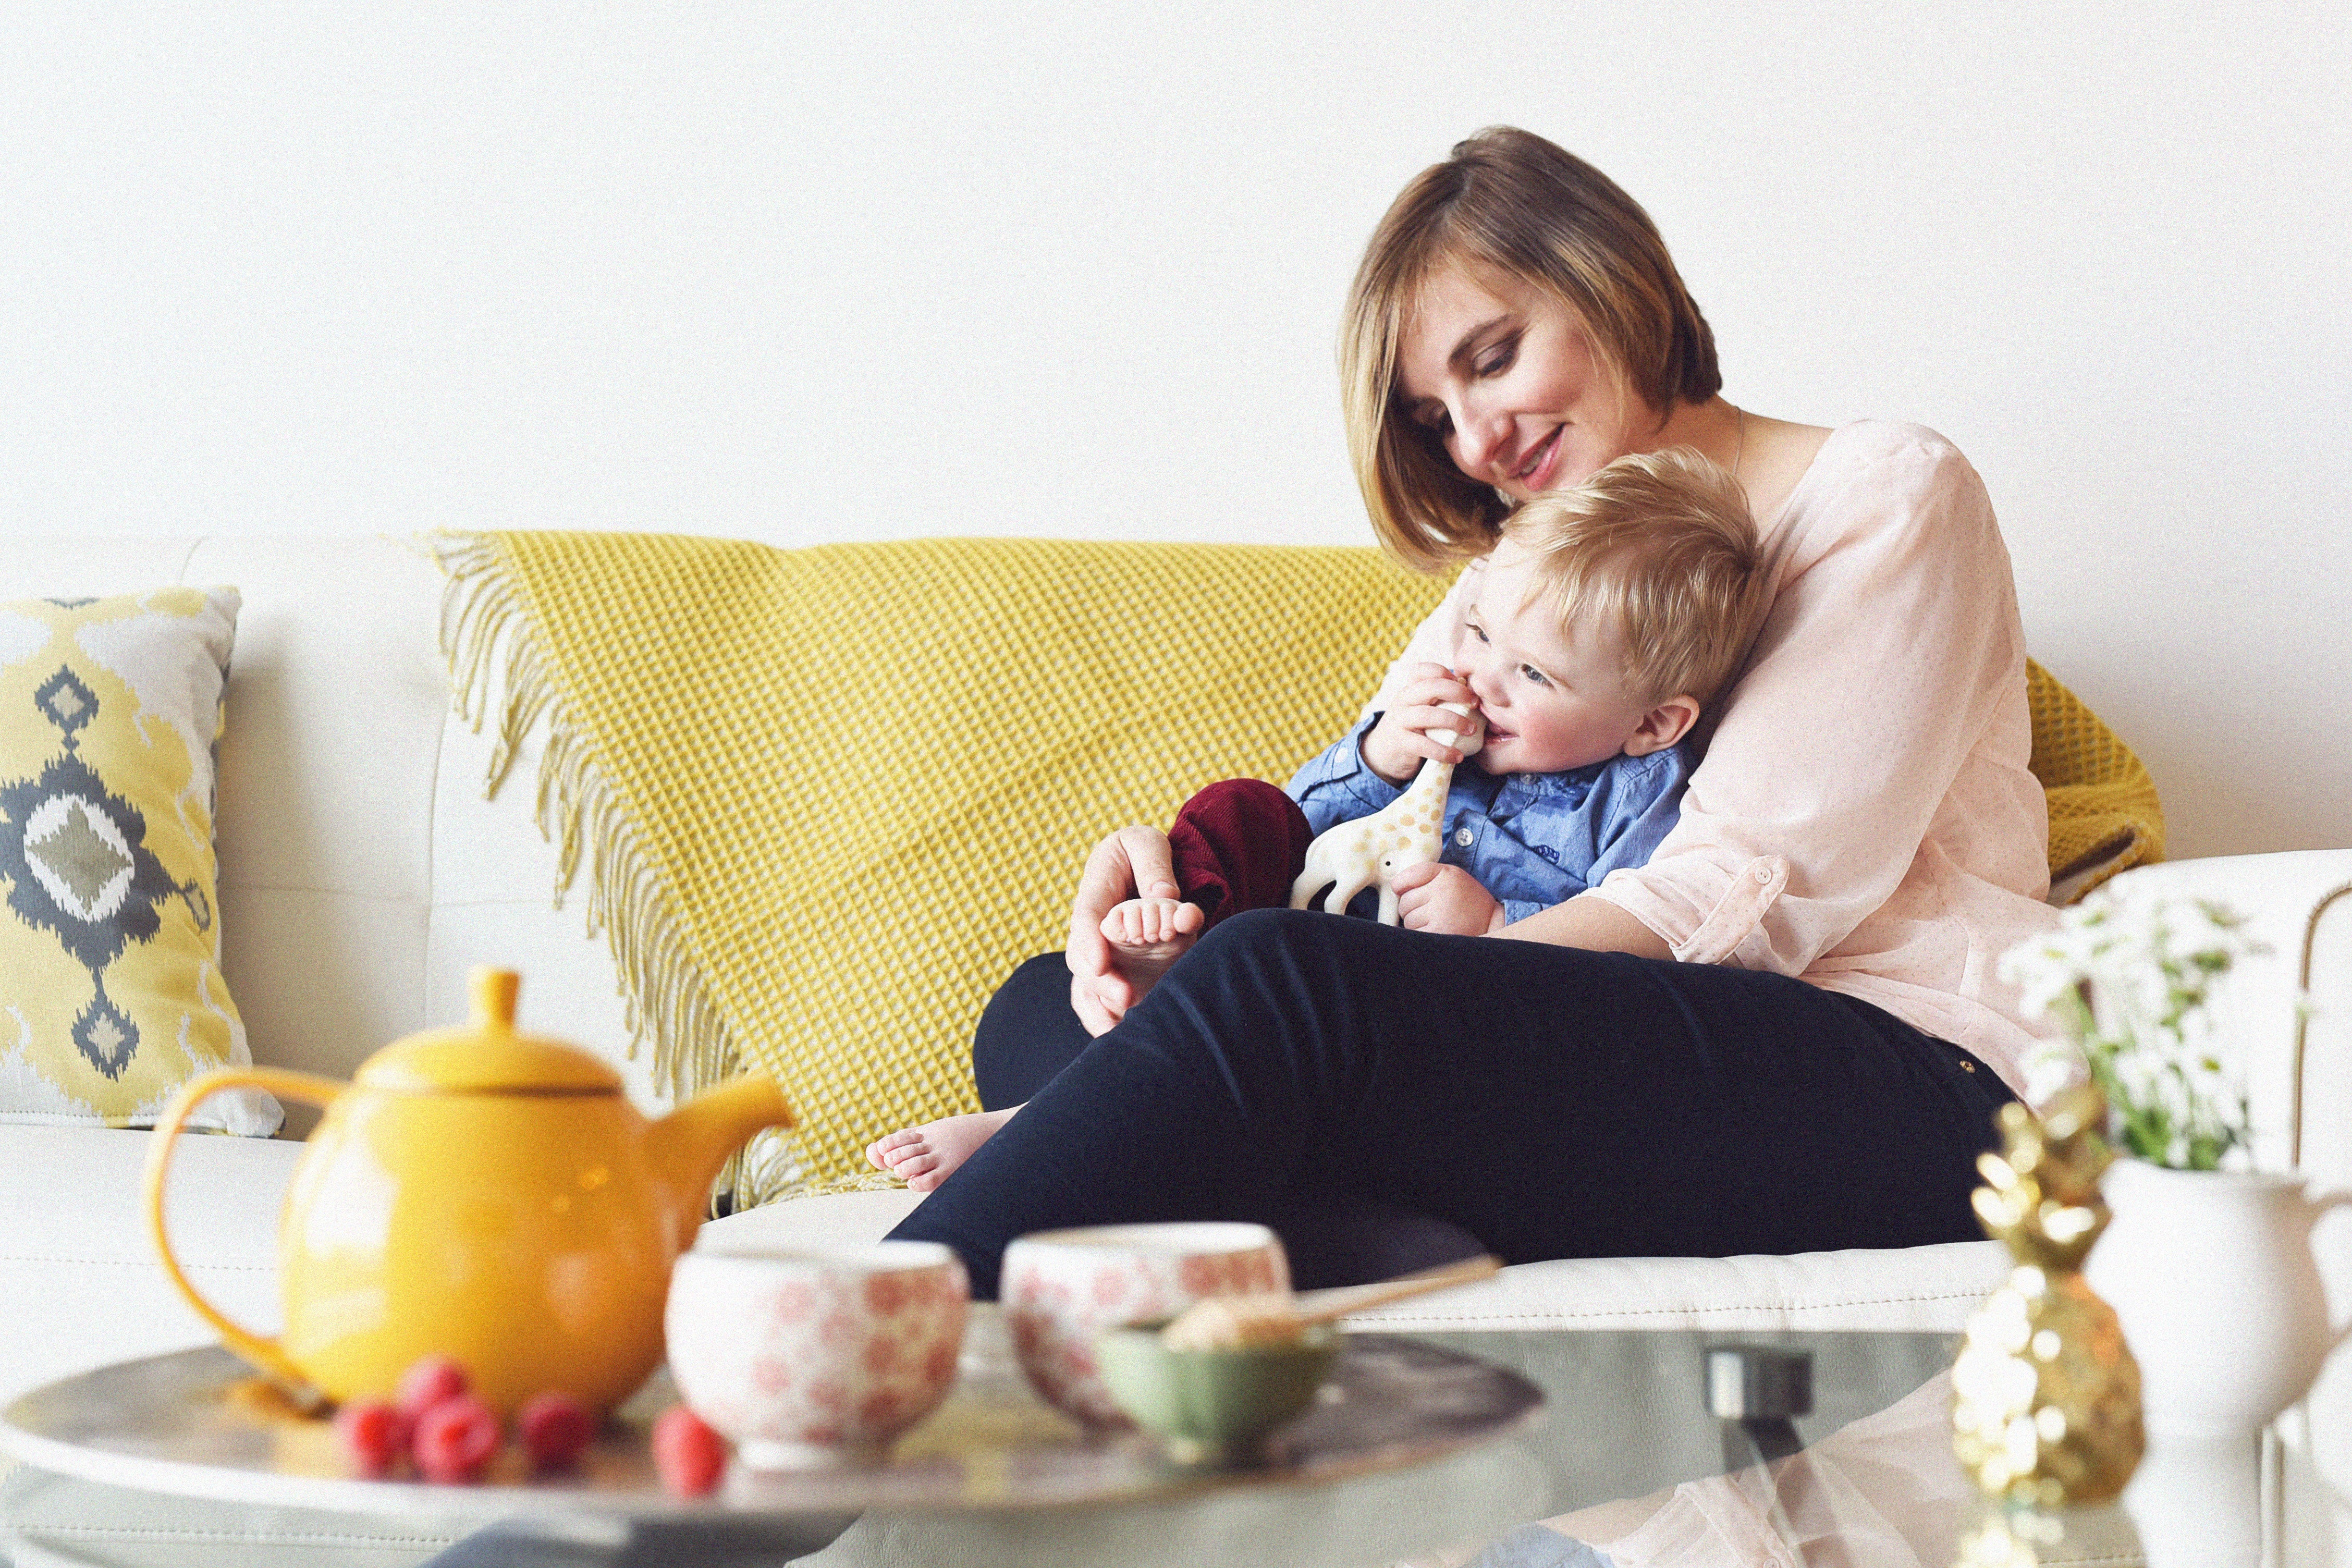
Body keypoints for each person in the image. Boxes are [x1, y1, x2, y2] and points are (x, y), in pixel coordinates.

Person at [884, 126, 2058, 1297]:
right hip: (1591, 1058)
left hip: (1908, 1071)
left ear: (1609, 280)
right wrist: (1175, 888)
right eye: (1434, 418)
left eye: (1492, 359)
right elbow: (1361, 820)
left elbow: (1739, 900)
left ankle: (853, 1346)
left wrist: (1379, 991)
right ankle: (1365, 1224)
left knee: (1270, 992)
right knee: (1049, 1007)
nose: (1478, 442)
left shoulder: (1887, 493)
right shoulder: (1519, 569)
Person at [866, 447, 1770, 1192]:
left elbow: (1625, 978)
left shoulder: (1640, 798)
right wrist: (1381, 755)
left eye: (1533, 676)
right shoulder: (1434, 729)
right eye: (1481, 633)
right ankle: (1175, 945)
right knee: (1243, 809)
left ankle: (1035, 1127)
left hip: (1399, 1026)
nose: (1483, 680)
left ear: (1652, 723)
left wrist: (1499, 929)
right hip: (1280, 943)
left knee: (1249, 1032)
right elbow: (1307, 825)